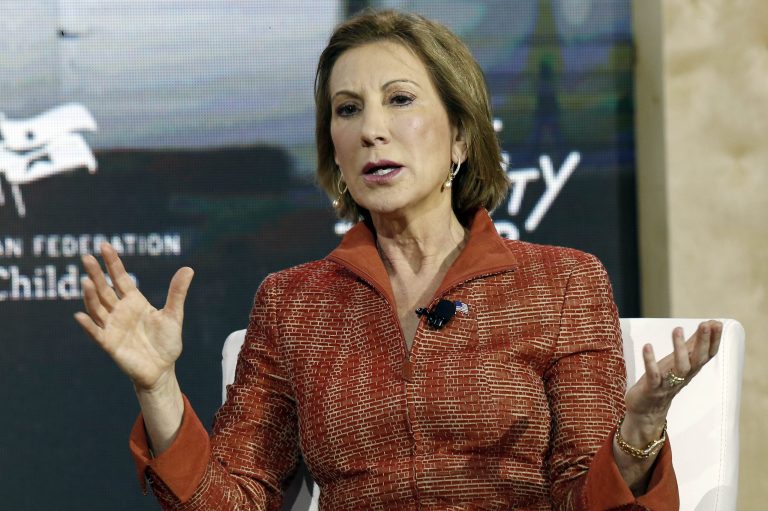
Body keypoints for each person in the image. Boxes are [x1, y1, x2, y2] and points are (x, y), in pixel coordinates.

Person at [75, 10, 722, 510]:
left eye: (400, 99)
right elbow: (233, 500)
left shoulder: (562, 283)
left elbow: (589, 498)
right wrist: (158, 388)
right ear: (334, 148)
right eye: (348, 109)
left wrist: (640, 428)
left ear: (461, 135)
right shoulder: (293, 303)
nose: (371, 129)